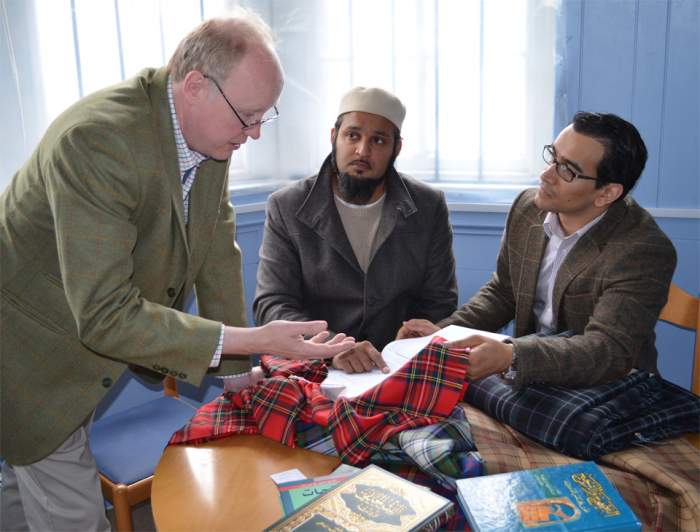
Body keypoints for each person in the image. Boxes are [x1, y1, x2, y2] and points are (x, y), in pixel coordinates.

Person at [0, 11, 355, 531]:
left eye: (264, 117)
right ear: (195, 86)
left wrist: (238, 376)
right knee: (70, 511)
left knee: (22, 489)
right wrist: (253, 337)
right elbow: (104, 315)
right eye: (248, 117)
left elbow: (217, 256)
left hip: (75, 347)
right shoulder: (97, 143)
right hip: (30, 356)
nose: (255, 133)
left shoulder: (208, 132)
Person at [399, 112, 676, 389]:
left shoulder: (642, 249)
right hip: (533, 374)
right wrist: (443, 335)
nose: (545, 174)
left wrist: (512, 355)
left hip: (608, 387)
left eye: (566, 170)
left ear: (606, 193)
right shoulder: (528, 208)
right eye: (552, 157)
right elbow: (504, 292)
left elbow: (606, 351)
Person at [254, 87, 458, 374]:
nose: (363, 151)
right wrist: (332, 348)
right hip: (316, 363)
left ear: (396, 149)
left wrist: (408, 342)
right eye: (353, 135)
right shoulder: (287, 206)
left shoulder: (428, 205)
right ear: (333, 137)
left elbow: (440, 302)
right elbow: (273, 303)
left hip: (397, 365)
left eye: (378, 140)